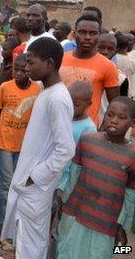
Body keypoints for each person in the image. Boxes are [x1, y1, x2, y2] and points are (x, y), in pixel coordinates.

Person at [1, 37, 75, 259]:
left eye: (32, 63)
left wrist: (36, 175)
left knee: (32, 240)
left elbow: (66, 149)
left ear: (49, 64)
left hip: (36, 182)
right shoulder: (46, 92)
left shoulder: (58, 99)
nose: (27, 67)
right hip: (30, 178)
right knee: (26, 236)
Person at [57, 97, 135, 259]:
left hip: (106, 223)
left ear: (132, 123)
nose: (114, 121)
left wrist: (123, 228)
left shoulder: (132, 155)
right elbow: (73, 176)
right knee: (66, 251)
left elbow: (130, 196)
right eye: (110, 115)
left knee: (101, 254)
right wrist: (64, 204)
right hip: (75, 214)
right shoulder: (88, 140)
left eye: (122, 118)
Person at [0, 54, 41, 231]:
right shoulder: (5, 87)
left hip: (24, 143)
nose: (17, 73)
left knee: (12, 181)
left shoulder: (37, 90)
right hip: (4, 140)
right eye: (15, 69)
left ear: (30, 71)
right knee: (7, 182)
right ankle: (1, 221)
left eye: (22, 70)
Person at [60, 14, 119, 126]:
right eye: (82, 32)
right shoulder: (61, 58)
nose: (87, 37)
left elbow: (115, 105)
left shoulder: (108, 66)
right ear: (74, 33)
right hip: (57, 125)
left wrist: (102, 131)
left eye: (93, 33)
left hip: (86, 132)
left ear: (99, 35)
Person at [56, 81, 96, 208]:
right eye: (68, 102)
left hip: (67, 182)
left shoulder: (89, 129)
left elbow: (84, 162)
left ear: (88, 104)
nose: (70, 107)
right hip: (52, 174)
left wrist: (65, 184)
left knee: (63, 212)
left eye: (76, 105)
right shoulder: (63, 117)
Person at [115, 33, 135, 98]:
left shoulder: (112, 59)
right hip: (128, 92)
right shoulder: (132, 61)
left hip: (115, 91)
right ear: (128, 46)